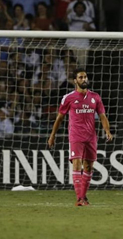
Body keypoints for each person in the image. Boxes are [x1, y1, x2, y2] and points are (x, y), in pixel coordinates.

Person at [47, 68, 113, 206]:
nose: (84, 79)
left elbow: (102, 116)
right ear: (75, 80)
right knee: (77, 164)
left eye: (85, 77)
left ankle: (83, 197)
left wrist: (107, 130)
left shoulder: (95, 97)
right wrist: (52, 135)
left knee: (88, 167)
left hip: (91, 137)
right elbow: (59, 118)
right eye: (81, 77)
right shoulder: (69, 98)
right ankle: (79, 198)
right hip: (75, 135)